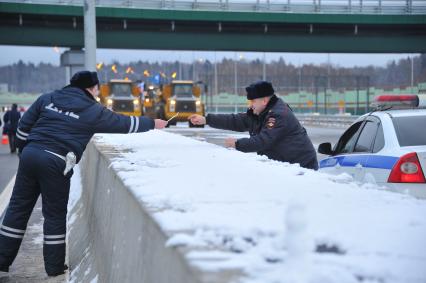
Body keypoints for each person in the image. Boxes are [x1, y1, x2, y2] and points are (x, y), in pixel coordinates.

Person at [0, 71, 168, 276]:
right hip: (57, 161)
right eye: (97, 88)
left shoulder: (48, 98)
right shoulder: (93, 110)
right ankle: (53, 267)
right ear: (91, 88)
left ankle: (2, 260)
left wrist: (22, 149)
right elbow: (123, 123)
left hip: (31, 155)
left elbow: (24, 126)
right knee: (54, 215)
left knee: (17, 210)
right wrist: (152, 123)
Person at [189, 81, 318, 170]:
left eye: (253, 101)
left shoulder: (278, 115)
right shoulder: (261, 112)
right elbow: (236, 120)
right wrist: (206, 120)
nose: (250, 105)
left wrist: (237, 144)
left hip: (302, 168)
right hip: (287, 165)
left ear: (264, 100)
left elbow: (264, 141)